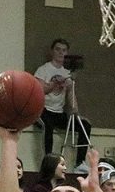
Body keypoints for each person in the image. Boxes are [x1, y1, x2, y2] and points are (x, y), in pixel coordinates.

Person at [35, 38, 91, 170]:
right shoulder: (43, 70)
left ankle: (80, 163)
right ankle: (48, 162)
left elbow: (71, 95)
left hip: (59, 112)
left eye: (64, 50)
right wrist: (56, 83)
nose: (61, 53)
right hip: (43, 110)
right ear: (52, 51)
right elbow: (39, 90)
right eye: (58, 49)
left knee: (85, 125)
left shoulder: (67, 73)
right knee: (48, 126)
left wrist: (76, 113)